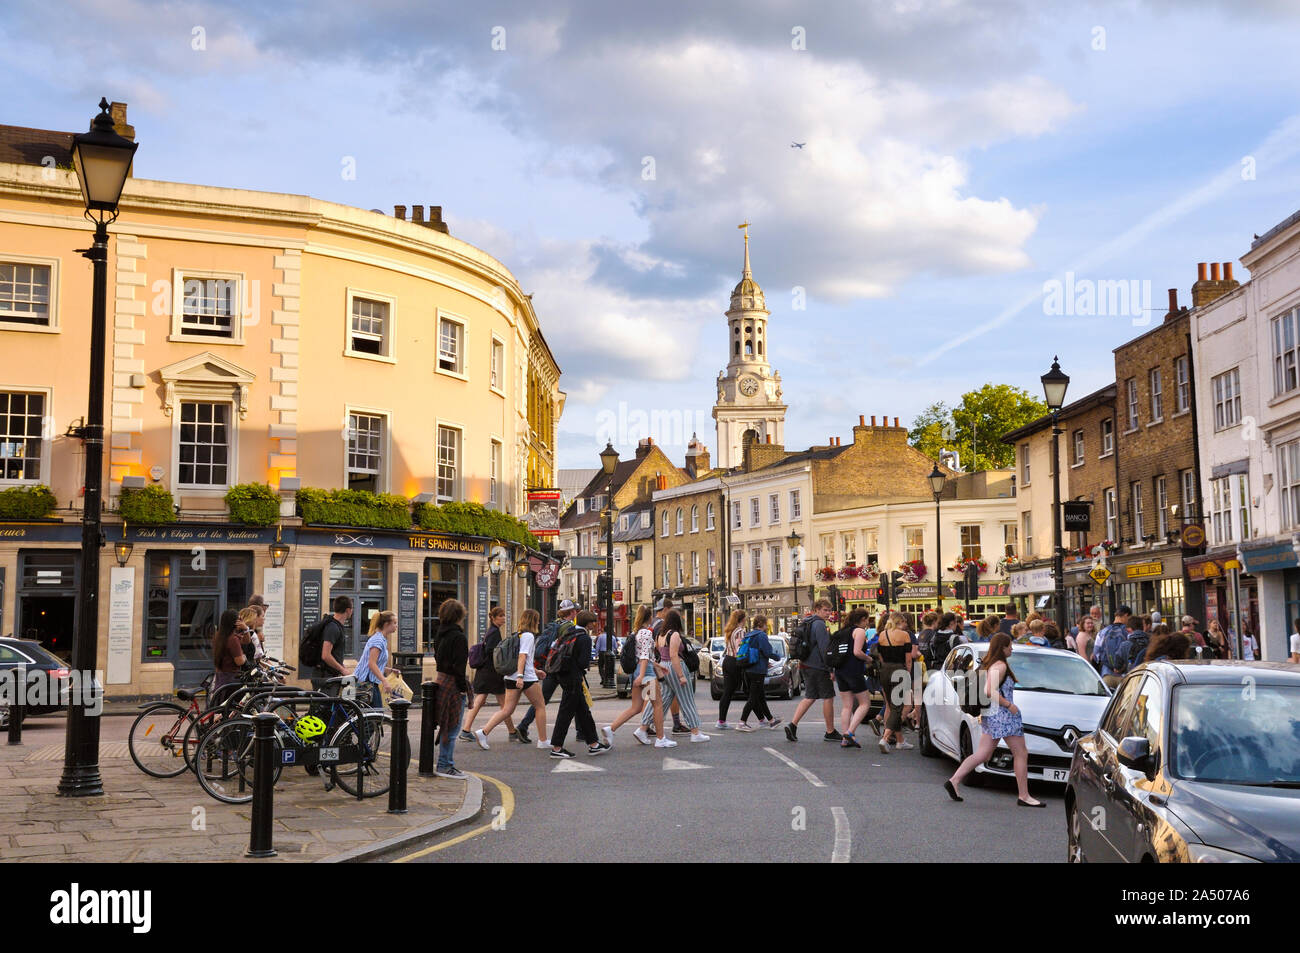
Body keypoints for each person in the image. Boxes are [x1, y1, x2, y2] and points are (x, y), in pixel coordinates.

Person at [943, 632, 1045, 807]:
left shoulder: (990, 664)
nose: (1012, 648)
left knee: (984, 754)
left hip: (992, 714)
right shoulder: (1000, 666)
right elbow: (989, 690)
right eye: (1009, 645)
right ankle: (1024, 795)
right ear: (1002, 647)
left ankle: (954, 780)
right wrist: (1009, 705)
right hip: (1004, 716)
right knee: (1021, 753)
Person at [477, 609, 551, 749]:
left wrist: (536, 671)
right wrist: (521, 677)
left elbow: (521, 659)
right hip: (524, 678)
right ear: (533, 621)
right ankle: (543, 740)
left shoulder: (518, 635)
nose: (539, 622)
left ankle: (483, 732)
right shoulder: (529, 636)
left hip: (510, 676)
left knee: (507, 710)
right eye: (537, 619)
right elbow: (522, 656)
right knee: (540, 706)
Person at [603, 604, 673, 748]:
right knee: (658, 705)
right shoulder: (647, 633)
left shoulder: (636, 633)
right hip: (646, 674)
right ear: (649, 618)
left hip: (638, 672)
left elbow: (643, 656)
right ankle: (661, 738)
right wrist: (642, 675)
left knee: (636, 707)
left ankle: (611, 728)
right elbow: (644, 656)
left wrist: (655, 667)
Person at [639, 609, 708, 743]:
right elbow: (673, 655)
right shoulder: (674, 634)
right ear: (677, 621)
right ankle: (695, 732)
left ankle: (642, 728)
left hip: (663, 666)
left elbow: (659, 653)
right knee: (687, 699)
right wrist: (681, 675)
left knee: (662, 700)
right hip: (674, 667)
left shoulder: (660, 635)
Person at [550, 610, 609, 758]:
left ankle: (593, 744)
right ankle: (556, 748)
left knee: (583, 711)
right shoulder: (584, 638)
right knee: (565, 713)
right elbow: (583, 662)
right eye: (593, 622)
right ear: (588, 623)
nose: (594, 624)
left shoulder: (570, 633)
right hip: (574, 678)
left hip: (563, 675)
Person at [517, 600, 577, 740]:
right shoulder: (569, 627)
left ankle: (523, 725)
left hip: (549, 666)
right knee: (575, 697)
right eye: (575, 611)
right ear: (572, 612)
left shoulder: (554, 624)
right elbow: (570, 648)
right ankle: (582, 732)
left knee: (542, 700)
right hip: (562, 667)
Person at [784, 599, 838, 742]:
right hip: (818, 667)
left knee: (810, 696)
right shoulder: (819, 624)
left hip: (806, 664)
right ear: (817, 609)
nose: (828, 613)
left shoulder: (808, 621)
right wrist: (830, 669)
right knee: (828, 697)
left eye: (829, 610)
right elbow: (824, 649)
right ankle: (830, 731)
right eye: (825, 610)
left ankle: (792, 725)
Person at [461, 606, 518, 741]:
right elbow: (492, 652)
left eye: (504, 615)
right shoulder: (494, 632)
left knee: (492, 701)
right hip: (491, 672)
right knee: (502, 703)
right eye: (500, 616)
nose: (503, 618)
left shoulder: (492, 631)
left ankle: (466, 729)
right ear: (493, 618)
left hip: (487, 672)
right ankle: (466, 730)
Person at [432, 599, 471, 779]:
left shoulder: (439, 633)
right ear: (459, 616)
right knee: (452, 727)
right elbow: (459, 668)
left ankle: (444, 763)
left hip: (440, 681)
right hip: (453, 685)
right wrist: (463, 689)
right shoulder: (459, 638)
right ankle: (445, 765)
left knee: (446, 725)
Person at [835, 608, 873, 748]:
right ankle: (850, 732)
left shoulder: (841, 631)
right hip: (853, 670)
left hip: (840, 670)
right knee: (865, 704)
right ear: (862, 619)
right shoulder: (859, 631)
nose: (867, 623)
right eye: (867, 620)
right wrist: (868, 658)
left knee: (847, 706)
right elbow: (857, 652)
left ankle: (845, 738)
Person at [876, 612, 914, 751]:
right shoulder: (905, 635)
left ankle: (900, 740)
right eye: (904, 623)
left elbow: (879, 655)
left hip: (885, 670)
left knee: (892, 706)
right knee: (898, 706)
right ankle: (885, 738)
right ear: (900, 622)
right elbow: (908, 659)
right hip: (899, 669)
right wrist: (908, 672)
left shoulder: (882, 635)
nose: (906, 625)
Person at [736, 614, 780, 731]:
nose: (767, 626)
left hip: (749, 669)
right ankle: (741, 722)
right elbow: (767, 651)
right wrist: (777, 657)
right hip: (758, 670)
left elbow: (755, 652)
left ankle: (771, 721)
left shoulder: (749, 634)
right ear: (762, 624)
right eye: (766, 623)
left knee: (760, 696)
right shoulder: (761, 636)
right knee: (753, 697)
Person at [356, 610, 397, 708]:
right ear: (387, 624)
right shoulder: (378, 640)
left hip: (371, 683)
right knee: (374, 718)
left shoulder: (381, 639)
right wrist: (385, 681)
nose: (396, 626)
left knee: (374, 717)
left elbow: (375, 664)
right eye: (395, 623)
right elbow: (371, 664)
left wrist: (390, 670)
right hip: (367, 684)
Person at [715, 609, 747, 730]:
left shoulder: (731, 630)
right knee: (746, 690)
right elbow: (740, 650)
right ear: (742, 619)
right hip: (735, 662)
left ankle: (721, 720)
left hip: (727, 660)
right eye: (745, 618)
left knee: (727, 692)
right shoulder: (740, 632)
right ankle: (761, 718)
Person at [312, 596, 353, 691]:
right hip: (325, 677)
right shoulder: (333, 627)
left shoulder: (336, 626)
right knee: (327, 705)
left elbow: (334, 653)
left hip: (329, 675)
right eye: (352, 609)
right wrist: (342, 670)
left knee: (349, 696)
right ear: (348, 610)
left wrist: (342, 667)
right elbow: (325, 655)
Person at [1094, 606, 1132, 689]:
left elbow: (1096, 655)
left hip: (1107, 675)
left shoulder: (1103, 632)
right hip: (1125, 677)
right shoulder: (1128, 632)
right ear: (1126, 615)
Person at [212, 608, 249, 691]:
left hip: (221, 675)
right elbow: (239, 661)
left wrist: (246, 629)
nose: (241, 621)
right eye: (239, 619)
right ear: (234, 622)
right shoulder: (233, 639)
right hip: (232, 677)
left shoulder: (219, 636)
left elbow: (246, 641)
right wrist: (243, 656)